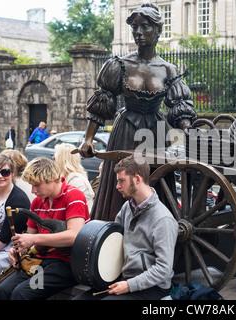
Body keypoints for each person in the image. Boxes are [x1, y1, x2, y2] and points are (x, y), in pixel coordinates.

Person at [78, 2, 197, 221]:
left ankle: (157, 234)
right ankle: (113, 239)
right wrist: (88, 139)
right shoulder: (119, 65)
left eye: (145, 27)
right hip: (125, 132)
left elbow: (180, 107)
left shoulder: (168, 70)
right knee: (121, 187)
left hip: (156, 134)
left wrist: (187, 130)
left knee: (157, 186)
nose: (138, 32)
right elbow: (102, 102)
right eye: (135, 27)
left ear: (159, 31)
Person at [74, 155, 178, 300]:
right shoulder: (127, 207)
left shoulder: (163, 219)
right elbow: (115, 243)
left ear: (137, 179)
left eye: (121, 181)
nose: (117, 186)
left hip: (153, 288)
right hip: (124, 279)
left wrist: (129, 285)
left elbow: (164, 269)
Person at [0, 157, 90, 300]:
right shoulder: (38, 201)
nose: (33, 190)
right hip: (41, 260)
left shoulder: (73, 195)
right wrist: (18, 250)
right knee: (1, 290)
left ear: (51, 179)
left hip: (66, 262)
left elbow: (74, 236)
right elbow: (29, 236)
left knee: (22, 293)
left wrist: (33, 239)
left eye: (37, 185)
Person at [0, 154, 30, 288]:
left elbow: (5, 237)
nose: (0, 176)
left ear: (12, 173)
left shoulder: (19, 200)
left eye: (5, 172)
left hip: (6, 249)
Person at [53, 143, 95, 212]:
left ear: (61, 160)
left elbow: (74, 209)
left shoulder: (76, 180)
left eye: (55, 158)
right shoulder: (68, 177)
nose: (54, 161)